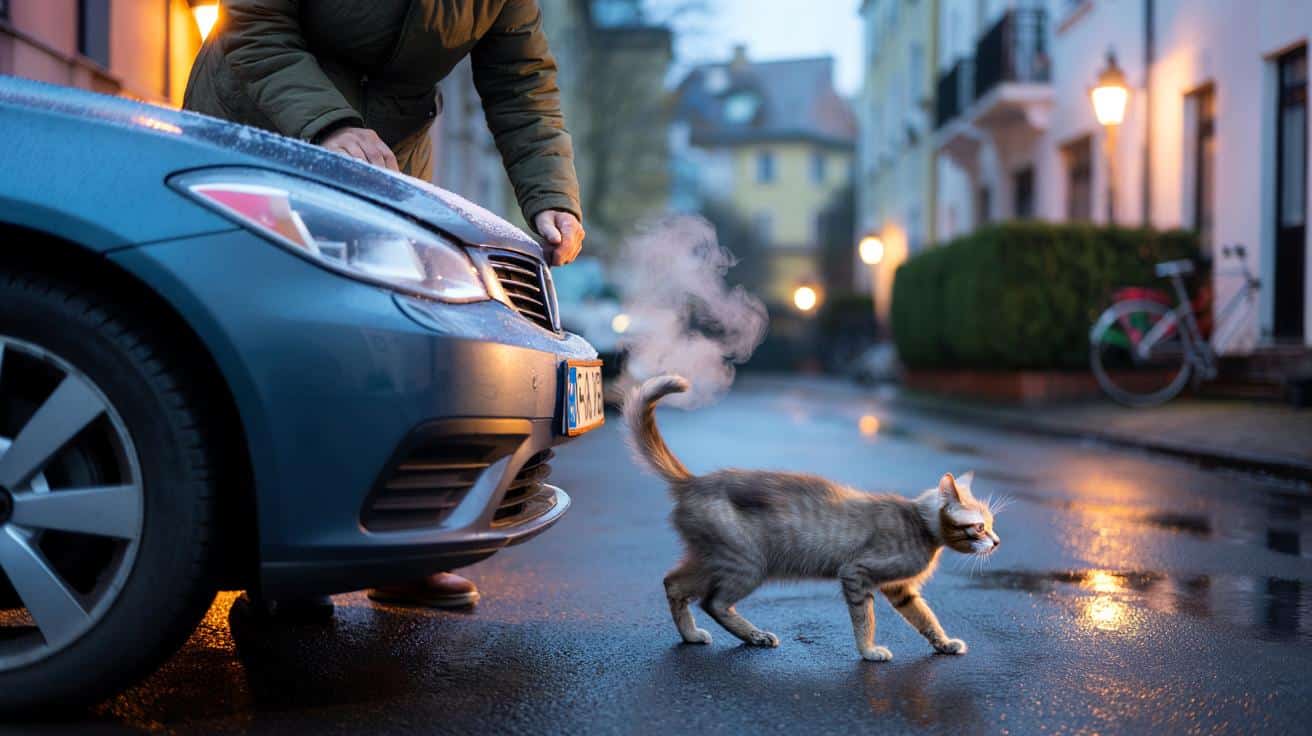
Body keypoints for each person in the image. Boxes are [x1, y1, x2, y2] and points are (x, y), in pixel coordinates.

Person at [184, 0, 585, 614]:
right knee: (291, 347)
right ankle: (277, 565)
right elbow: (254, 25)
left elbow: (519, 80)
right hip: (260, 125)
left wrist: (552, 195)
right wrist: (329, 124)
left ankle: (404, 553)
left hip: (389, 156)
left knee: (396, 355)